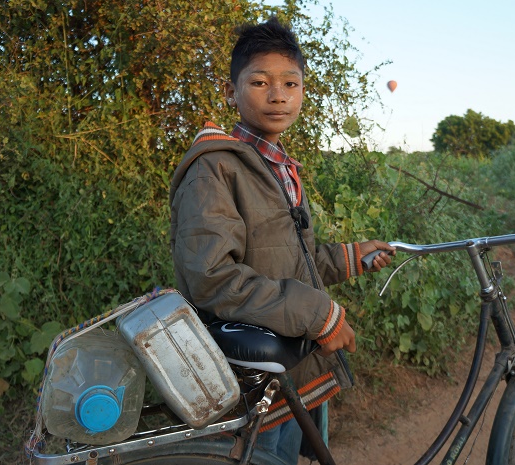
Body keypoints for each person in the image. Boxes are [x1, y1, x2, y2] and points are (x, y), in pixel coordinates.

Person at [169, 16, 394, 465]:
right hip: (253, 377)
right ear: (231, 91)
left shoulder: (275, 165)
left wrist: (350, 256)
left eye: (291, 83)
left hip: (293, 366)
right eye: (260, 82)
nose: (278, 95)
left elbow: (290, 258)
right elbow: (212, 278)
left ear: (303, 91)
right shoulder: (215, 168)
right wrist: (318, 312)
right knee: (264, 455)